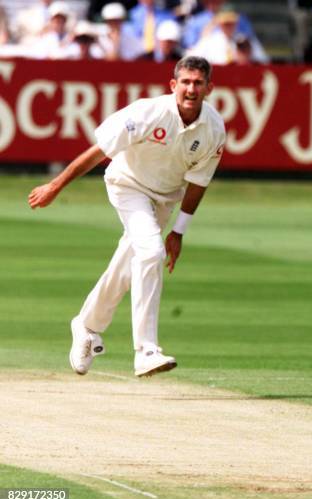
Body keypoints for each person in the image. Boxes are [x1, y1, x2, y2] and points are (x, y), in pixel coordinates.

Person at [28, 56, 226, 378]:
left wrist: (179, 231)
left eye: (198, 83)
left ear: (209, 88)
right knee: (150, 252)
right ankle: (146, 350)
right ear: (174, 85)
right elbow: (99, 151)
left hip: (164, 199)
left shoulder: (214, 129)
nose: (191, 89)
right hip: (127, 185)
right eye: (186, 82)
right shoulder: (148, 112)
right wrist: (55, 185)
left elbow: (199, 182)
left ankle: (86, 325)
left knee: (127, 266)